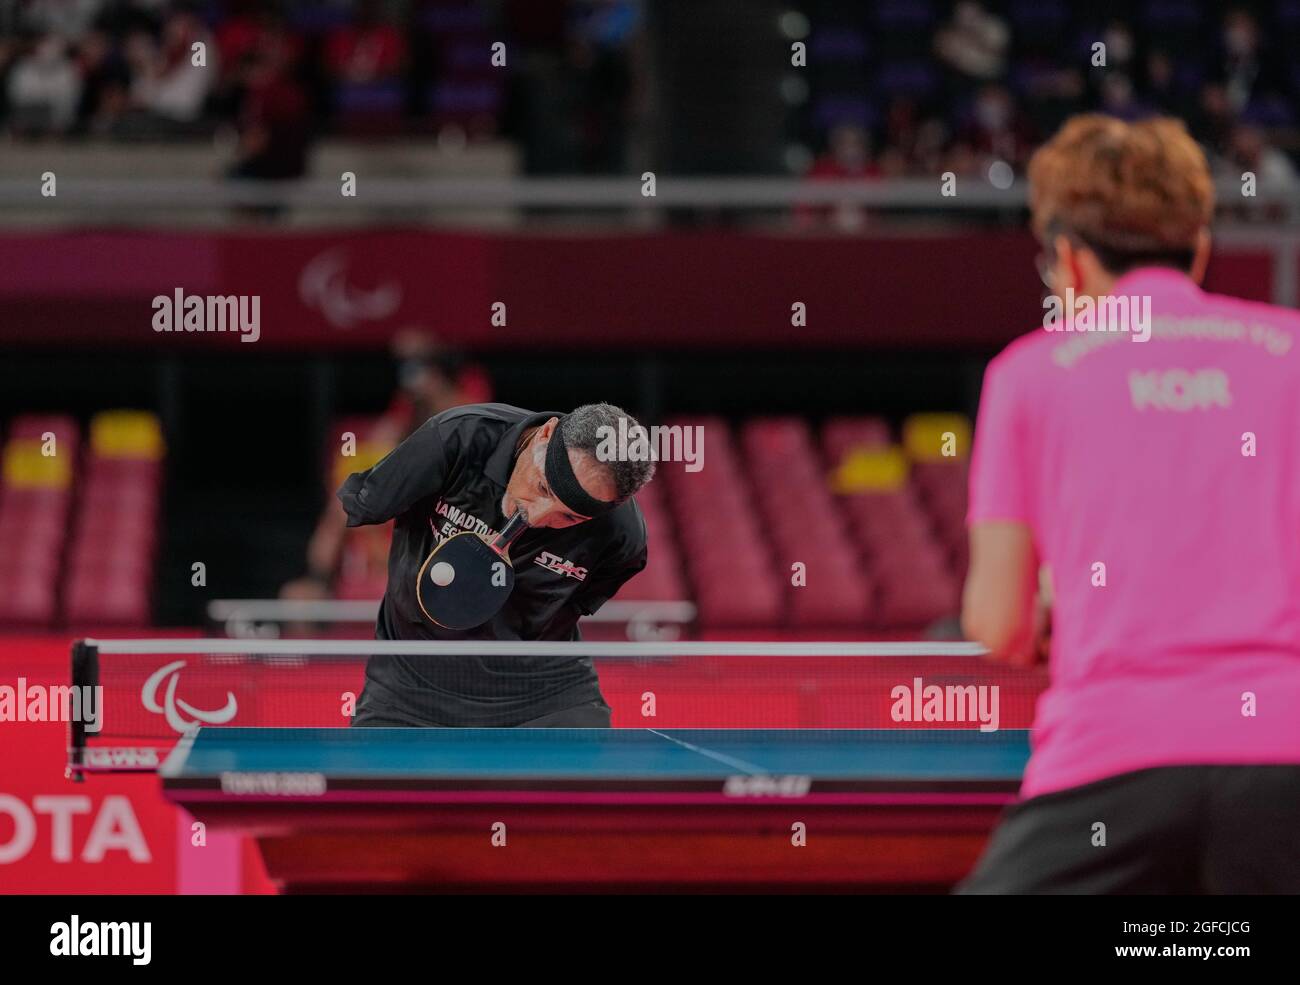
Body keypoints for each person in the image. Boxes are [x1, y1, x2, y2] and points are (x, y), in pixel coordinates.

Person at [959, 114, 1300, 893]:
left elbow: (997, 623)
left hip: (1112, 767)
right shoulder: (1294, 353)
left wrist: (1057, 606)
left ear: (1070, 261)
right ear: (1201, 245)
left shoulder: (1029, 374)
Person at [341, 402, 653, 728]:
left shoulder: (621, 537)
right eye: (544, 487)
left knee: (591, 777)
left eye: (570, 516)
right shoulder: (458, 439)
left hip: (545, 698)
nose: (537, 516)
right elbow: (365, 502)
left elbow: (584, 597)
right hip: (408, 688)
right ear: (545, 434)